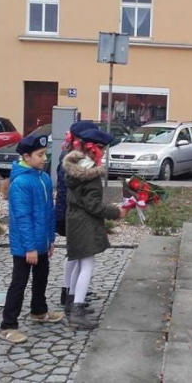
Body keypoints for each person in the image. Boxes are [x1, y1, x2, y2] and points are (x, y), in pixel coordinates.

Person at [0, 134, 64, 344]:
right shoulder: (20, 183)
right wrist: (30, 248)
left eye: (45, 154)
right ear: (26, 156)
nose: (44, 158)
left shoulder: (42, 178)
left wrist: (50, 239)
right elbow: (22, 218)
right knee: (19, 282)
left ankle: (38, 311)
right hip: (25, 247)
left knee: (41, 277)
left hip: (42, 243)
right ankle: (8, 325)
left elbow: (49, 212)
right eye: (40, 155)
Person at [63, 128, 128, 329]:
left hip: (74, 220)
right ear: (95, 150)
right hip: (85, 223)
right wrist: (117, 212)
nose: (105, 154)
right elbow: (93, 206)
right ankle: (77, 311)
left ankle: (72, 302)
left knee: (78, 262)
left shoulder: (74, 168)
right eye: (104, 150)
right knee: (87, 265)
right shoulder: (90, 174)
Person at [55, 120, 98, 312]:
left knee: (74, 255)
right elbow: (67, 191)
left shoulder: (75, 155)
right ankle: (68, 293)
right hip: (68, 213)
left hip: (69, 212)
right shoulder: (70, 159)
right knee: (74, 255)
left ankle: (72, 292)